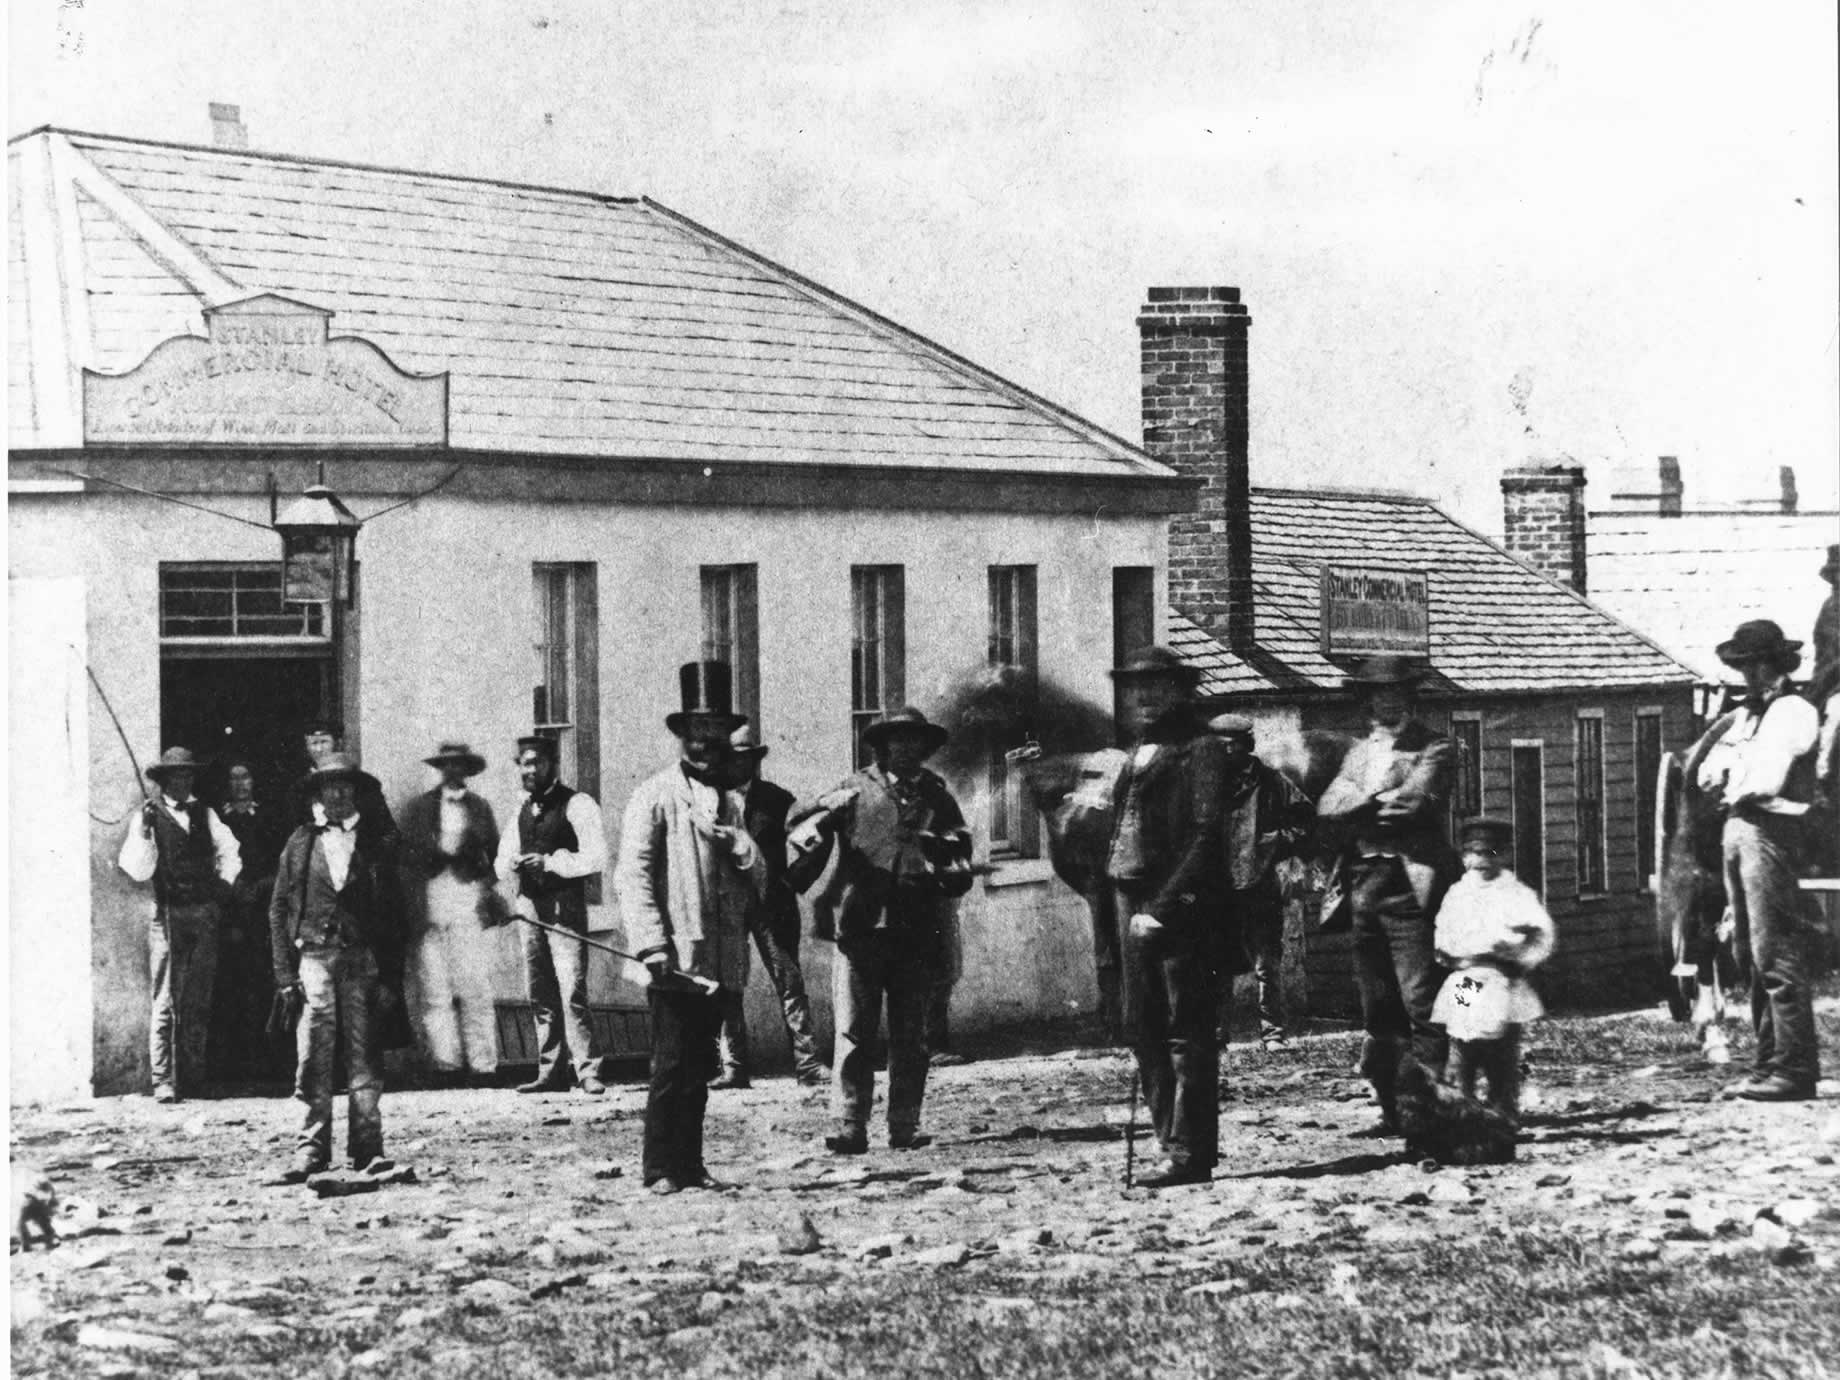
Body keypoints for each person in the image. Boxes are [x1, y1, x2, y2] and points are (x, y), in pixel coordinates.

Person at [615, 662, 764, 1193]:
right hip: (674, 957)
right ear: (682, 738)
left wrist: (738, 846)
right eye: (697, 736)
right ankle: (659, 1167)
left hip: (718, 956)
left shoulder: (733, 799)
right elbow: (632, 875)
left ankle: (691, 1164)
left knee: (701, 1065)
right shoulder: (655, 796)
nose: (706, 746)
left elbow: (757, 873)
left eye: (716, 736)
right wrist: (651, 943)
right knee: (671, 1063)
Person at [800, 706, 972, 1155]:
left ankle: (904, 1126)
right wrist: (822, 805)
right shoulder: (854, 789)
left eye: (915, 740)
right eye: (898, 740)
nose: (907, 748)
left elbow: (962, 850)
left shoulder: (937, 794)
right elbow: (795, 824)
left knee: (910, 1035)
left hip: (917, 930)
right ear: (882, 745)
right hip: (861, 928)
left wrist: (950, 865)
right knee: (854, 1031)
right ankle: (850, 1125)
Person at [1105, 647, 1231, 1189]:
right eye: (1138, 687)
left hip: (1181, 909)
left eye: (1158, 686)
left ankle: (1190, 1153)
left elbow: (1206, 839)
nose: (1146, 697)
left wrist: (1163, 907)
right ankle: (1168, 1142)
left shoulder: (1201, 750)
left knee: (1188, 1032)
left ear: (1182, 691)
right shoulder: (1137, 750)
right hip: (1129, 900)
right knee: (1142, 1027)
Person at [1316, 655, 1458, 1136]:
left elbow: (1409, 804)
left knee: (1421, 1000)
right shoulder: (1357, 752)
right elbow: (1326, 808)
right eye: (1377, 692)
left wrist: (1358, 802)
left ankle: (1429, 1107)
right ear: (1367, 699)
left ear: (1409, 696)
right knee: (1377, 1004)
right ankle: (1393, 1108)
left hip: (1412, 883)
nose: (1386, 700)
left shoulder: (1436, 746)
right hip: (1362, 881)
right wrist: (1359, 803)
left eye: (1395, 692)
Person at [1690, 619, 1823, 1101]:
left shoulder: (1793, 712)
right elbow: (1707, 770)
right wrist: (1728, 776)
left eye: (1757, 665)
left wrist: (1731, 777)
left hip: (1772, 830)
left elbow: (1764, 781)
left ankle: (1795, 1066)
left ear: (1777, 666)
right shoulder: (1745, 716)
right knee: (1747, 952)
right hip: (1739, 827)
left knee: (1775, 950)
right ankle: (1769, 1063)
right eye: (1744, 666)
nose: (1749, 675)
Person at [269, 753, 406, 1179]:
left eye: (346, 786)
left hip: (362, 960)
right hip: (313, 960)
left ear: (357, 793)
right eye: (330, 786)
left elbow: (395, 914)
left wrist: (390, 976)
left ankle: (368, 1148)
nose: (338, 794)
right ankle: (311, 1150)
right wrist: (284, 975)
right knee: (313, 1057)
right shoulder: (300, 842)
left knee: (365, 1057)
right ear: (318, 794)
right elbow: (278, 908)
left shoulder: (376, 844)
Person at [118, 747, 243, 1103]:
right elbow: (137, 869)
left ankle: (193, 1076)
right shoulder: (148, 816)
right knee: (166, 999)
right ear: (162, 781)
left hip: (203, 914)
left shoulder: (206, 813)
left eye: (186, 775)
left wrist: (221, 889)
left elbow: (230, 852)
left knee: (198, 999)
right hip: (168, 914)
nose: (180, 781)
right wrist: (144, 830)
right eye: (173, 776)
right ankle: (164, 1080)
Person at [710, 723, 827, 1089]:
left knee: (789, 981)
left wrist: (793, 880)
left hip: (771, 906)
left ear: (755, 761)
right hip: (727, 907)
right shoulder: (708, 800)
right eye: (732, 758)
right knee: (728, 986)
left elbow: (818, 839)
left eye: (746, 758)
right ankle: (734, 1068)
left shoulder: (778, 801)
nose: (739, 765)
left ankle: (808, 1065)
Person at [496, 731, 609, 1096]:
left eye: (534, 763)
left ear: (551, 765)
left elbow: (597, 856)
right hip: (530, 907)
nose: (527, 771)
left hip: (565, 907)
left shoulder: (578, 804)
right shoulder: (520, 810)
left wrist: (552, 863)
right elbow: (501, 861)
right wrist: (514, 863)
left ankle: (587, 1070)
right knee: (540, 990)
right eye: (523, 764)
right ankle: (550, 1071)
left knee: (571, 988)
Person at [1430, 817, 1556, 1125]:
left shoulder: (1515, 893)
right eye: (1474, 853)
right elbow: (1443, 933)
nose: (1482, 860)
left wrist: (1518, 954)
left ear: (1506, 854)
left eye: (1491, 853)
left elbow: (1541, 933)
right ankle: (1464, 1103)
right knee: (1462, 1040)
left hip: (1503, 979)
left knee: (1502, 1046)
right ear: (1464, 857)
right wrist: (1452, 955)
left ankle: (1504, 1105)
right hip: (1468, 978)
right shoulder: (1458, 893)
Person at [1207, 713, 1314, 1052]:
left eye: (1233, 745)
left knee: (1266, 962)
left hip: (1260, 885)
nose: (1226, 753)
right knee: (1216, 965)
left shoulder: (1270, 781)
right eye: (1219, 746)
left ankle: (1273, 1033)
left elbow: (1306, 820)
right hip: (1218, 887)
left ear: (1246, 745)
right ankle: (1216, 1034)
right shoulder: (1205, 785)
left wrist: (1275, 842)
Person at [400, 743, 504, 1086]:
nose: (453, 771)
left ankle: (483, 1065)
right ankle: (446, 1064)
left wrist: (484, 885)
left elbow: (497, 859)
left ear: (468, 770)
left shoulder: (480, 809)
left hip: (467, 899)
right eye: (447, 765)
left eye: (459, 766)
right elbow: (407, 862)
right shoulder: (421, 809)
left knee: (474, 985)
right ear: (440, 769)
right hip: (431, 901)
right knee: (435, 989)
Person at [211, 756, 291, 1083]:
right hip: (232, 915)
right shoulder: (217, 818)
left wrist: (262, 886)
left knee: (266, 985)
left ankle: (270, 1065)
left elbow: (281, 863)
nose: (241, 784)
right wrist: (232, 893)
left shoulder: (269, 817)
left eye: (246, 777)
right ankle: (236, 1066)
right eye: (234, 778)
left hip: (264, 912)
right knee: (233, 987)